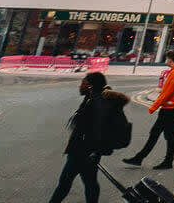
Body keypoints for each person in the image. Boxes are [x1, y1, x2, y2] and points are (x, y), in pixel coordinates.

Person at [48, 71, 130, 203]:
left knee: (65, 183)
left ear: (90, 86)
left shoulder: (97, 103)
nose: (80, 86)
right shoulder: (93, 98)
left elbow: (97, 128)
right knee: (89, 182)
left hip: (83, 151)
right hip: (87, 151)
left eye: (83, 83)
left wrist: (93, 150)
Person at [122, 49, 174, 169]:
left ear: (170, 59)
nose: (166, 60)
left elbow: (167, 93)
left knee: (158, 134)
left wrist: (153, 107)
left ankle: (146, 159)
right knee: (167, 134)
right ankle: (148, 159)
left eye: (167, 58)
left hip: (170, 107)